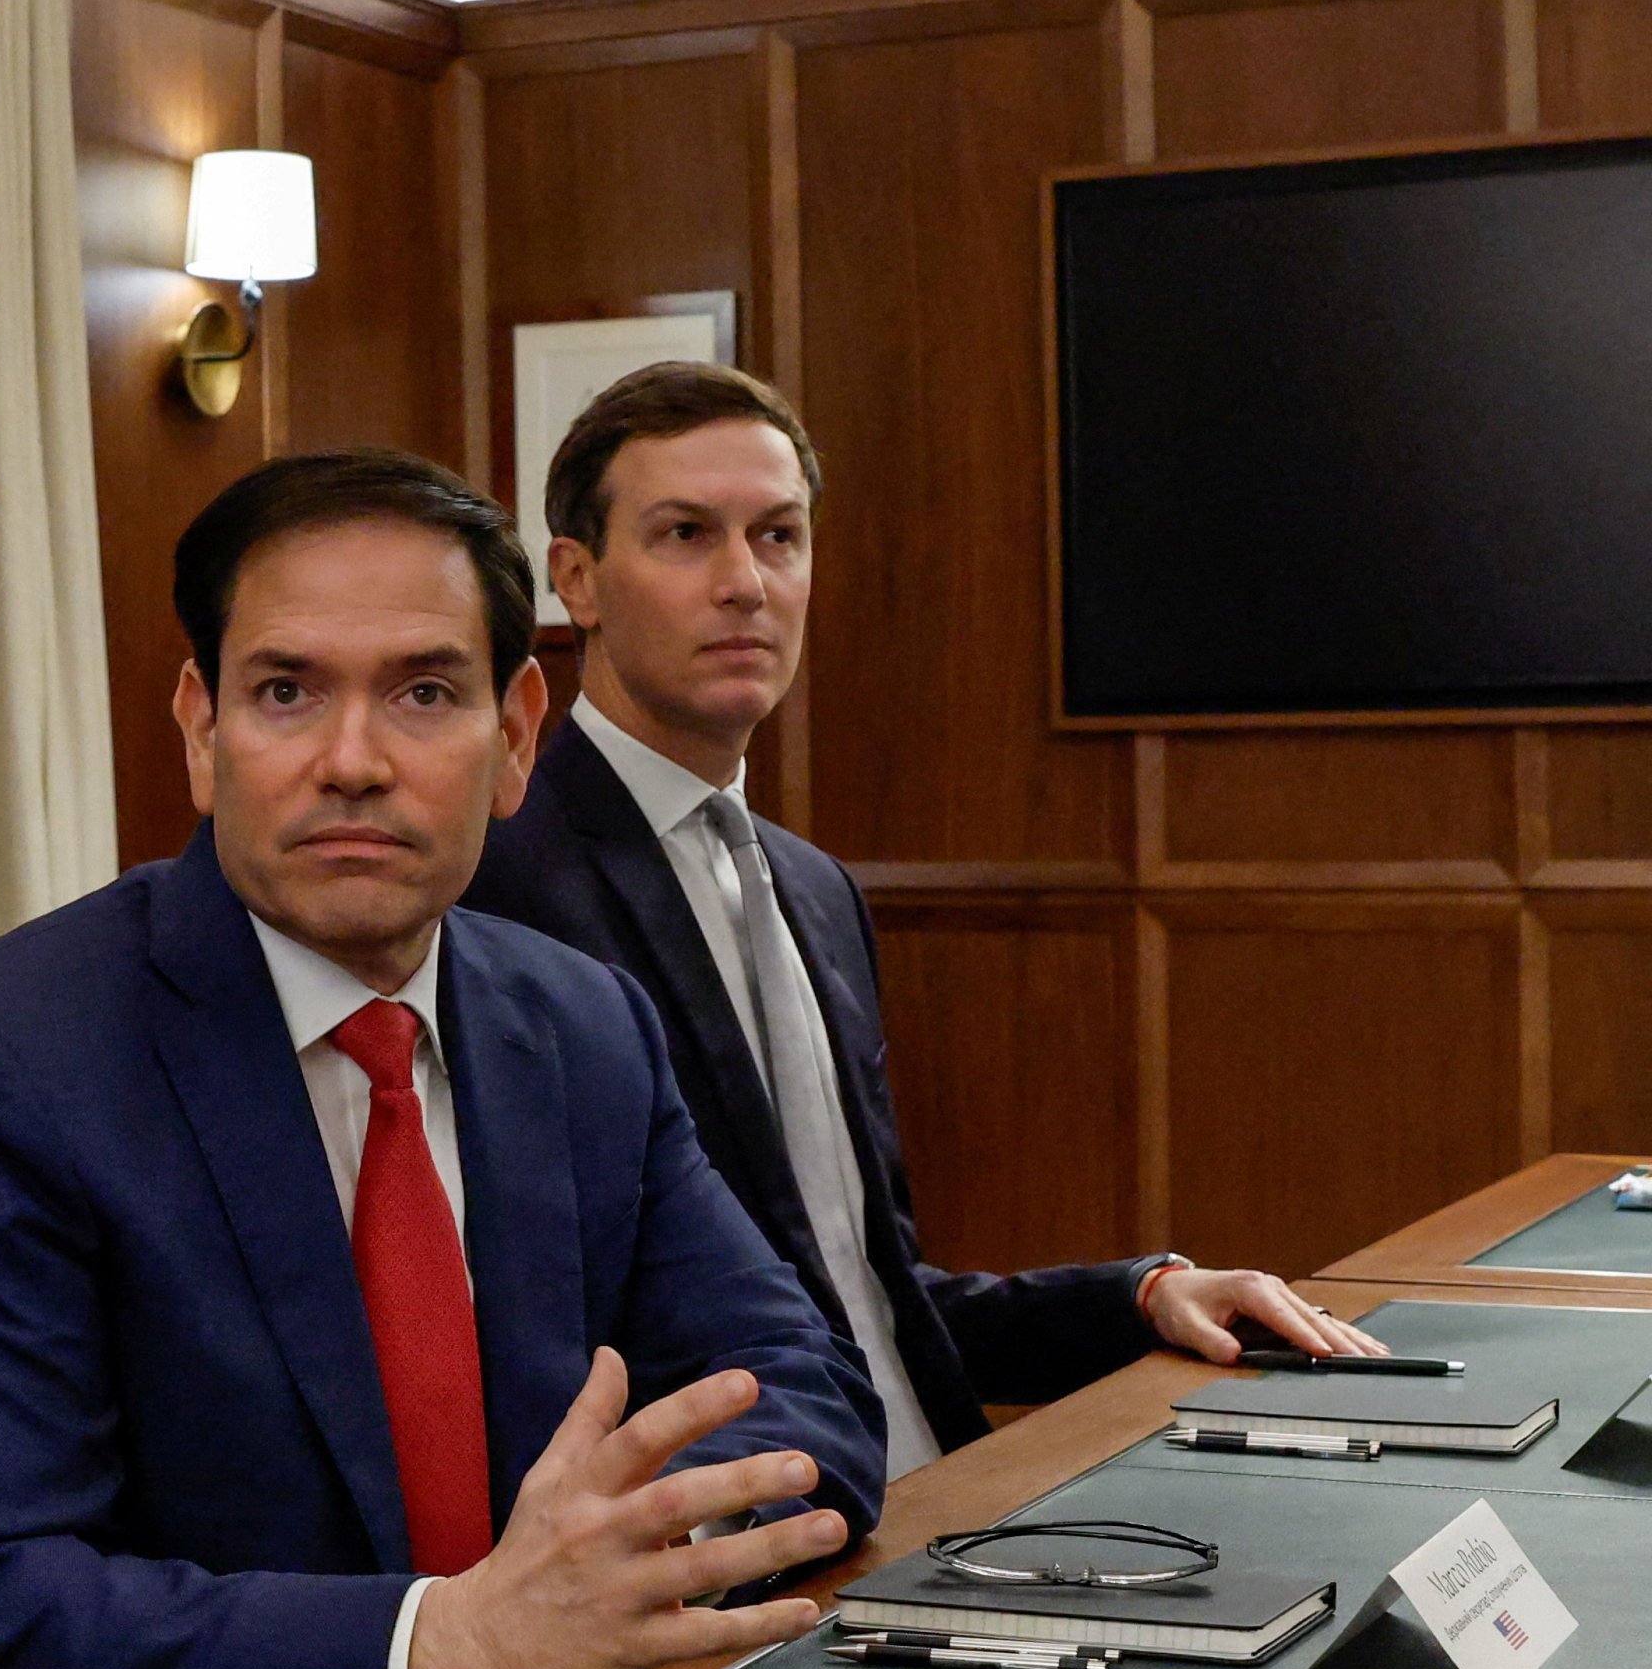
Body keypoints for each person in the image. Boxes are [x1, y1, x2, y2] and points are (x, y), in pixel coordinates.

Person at [0, 449, 885, 1669]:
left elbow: (799, 1384)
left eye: (426, 694)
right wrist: (448, 1636)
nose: (353, 760)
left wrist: (603, 1575)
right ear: (201, 732)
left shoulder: (578, 1025)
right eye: (286, 692)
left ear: (516, 738)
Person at [464, 362, 1377, 1481]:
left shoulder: (811, 890)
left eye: (779, 536)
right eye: (685, 534)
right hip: (743, 1533)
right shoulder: (495, 891)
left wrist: (1139, 1292)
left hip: (938, 1484)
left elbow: (866, 1289)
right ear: (576, 579)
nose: (745, 581)